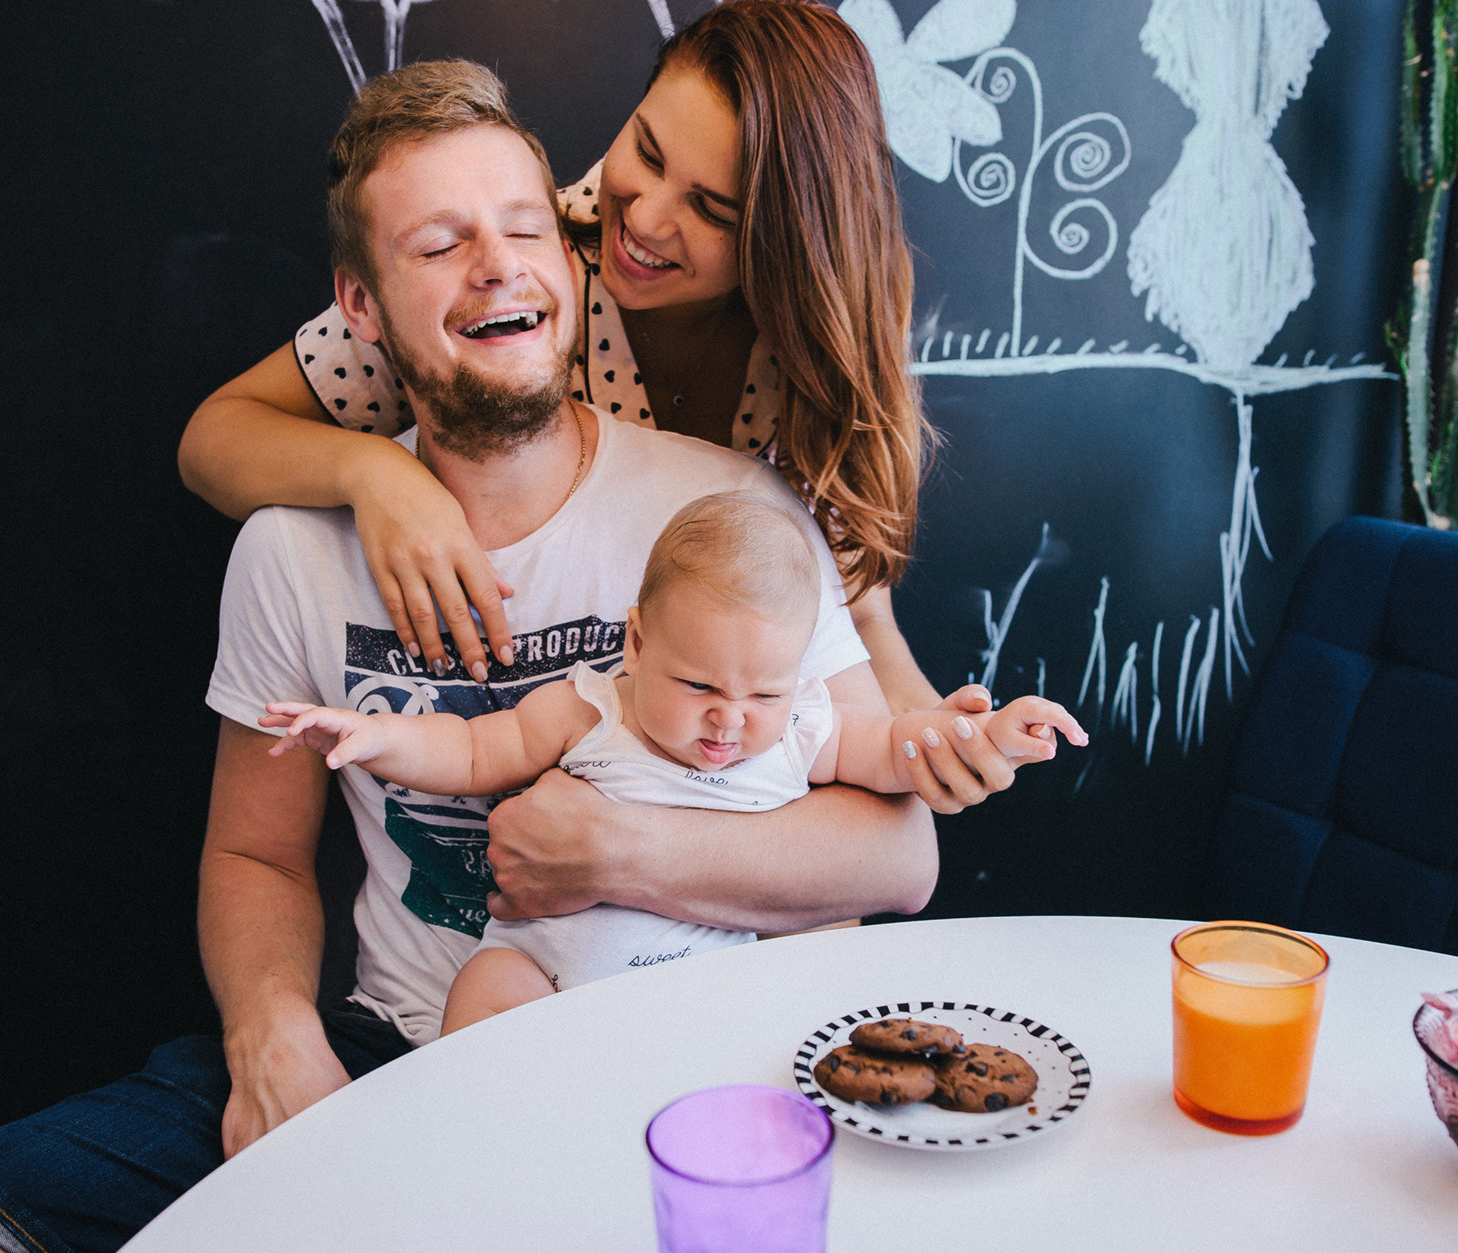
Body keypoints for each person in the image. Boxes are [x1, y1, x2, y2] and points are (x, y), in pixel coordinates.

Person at [0, 59, 1013, 1253]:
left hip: (699, 1028)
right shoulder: (288, 549)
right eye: (439, 246)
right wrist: (273, 1032)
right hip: (409, 1037)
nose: (495, 266)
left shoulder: (724, 515)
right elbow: (253, 851)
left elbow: (891, 846)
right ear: (362, 308)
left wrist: (613, 846)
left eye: (522, 229)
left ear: (568, 257)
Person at [177, 0, 1010, 818]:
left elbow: (855, 618)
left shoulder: (813, 356)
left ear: (785, 239)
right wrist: (377, 474)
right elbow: (214, 438)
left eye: (712, 209)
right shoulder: (511, 274)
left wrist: (937, 743)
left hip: (712, 797)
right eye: (643, 150)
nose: (644, 218)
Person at [264, 492, 1084, 1035]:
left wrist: (983, 735)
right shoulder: (595, 705)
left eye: (762, 692)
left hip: (712, 998)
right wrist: (372, 738)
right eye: (697, 685)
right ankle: (483, 1129)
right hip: (545, 973)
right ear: (639, 641)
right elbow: (476, 748)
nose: (729, 718)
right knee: (484, 994)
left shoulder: (801, 725)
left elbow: (896, 752)